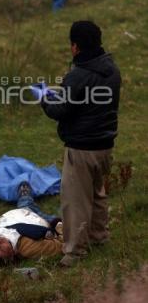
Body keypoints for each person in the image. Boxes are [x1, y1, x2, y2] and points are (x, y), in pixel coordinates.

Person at [40, 21, 121, 266]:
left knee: (75, 201)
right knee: (97, 194)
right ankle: (99, 237)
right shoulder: (112, 69)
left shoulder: (78, 76)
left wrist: (44, 98)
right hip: (105, 145)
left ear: (75, 47)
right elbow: (83, 102)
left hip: (81, 148)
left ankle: (74, 253)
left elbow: (61, 110)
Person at [0, 182, 63, 264]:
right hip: (43, 221)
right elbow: (60, 246)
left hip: (20, 212)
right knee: (63, 220)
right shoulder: (28, 248)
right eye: (0, 247)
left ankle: (24, 194)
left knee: (25, 202)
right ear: (10, 256)